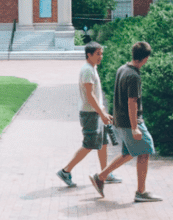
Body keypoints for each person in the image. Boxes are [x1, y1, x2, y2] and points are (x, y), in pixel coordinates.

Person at [90, 40, 162, 203]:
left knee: (128, 153)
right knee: (145, 151)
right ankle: (141, 192)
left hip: (121, 121)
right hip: (131, 122)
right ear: (145, 58)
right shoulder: (133, 76)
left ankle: (100, 177)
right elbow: (132, 102)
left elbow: (117, 96)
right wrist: (135, 127)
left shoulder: (122, 69)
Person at [56, 42, 120, 187]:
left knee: (103, 143)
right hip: (90, 114)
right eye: (98, 54)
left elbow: (94, 95)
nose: (100, 57)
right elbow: (90, 96)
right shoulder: (87, 70)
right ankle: (65, 171)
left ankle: (105, 173)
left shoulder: (92, 68)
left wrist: (103, 112)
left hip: (95, 112)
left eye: (101, 54)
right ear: (89, 55)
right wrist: (101, 114)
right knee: (89, 145)